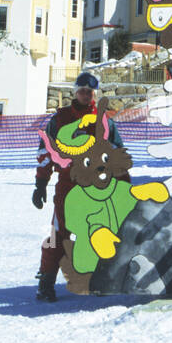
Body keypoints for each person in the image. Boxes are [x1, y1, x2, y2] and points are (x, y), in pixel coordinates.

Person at [32, 71, 125, 302]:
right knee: (59, 234)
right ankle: (46, 281)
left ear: (95, 94)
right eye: (82, 91)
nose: (85, 95)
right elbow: (46, 152)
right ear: (76, 92)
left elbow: (118, 155)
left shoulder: (105, 121)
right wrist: (41, 183)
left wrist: (123, 184)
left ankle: (100, 279)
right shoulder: (60, 120)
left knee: (101, 232)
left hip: (97, 189)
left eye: (90, 92)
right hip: (68, 187)